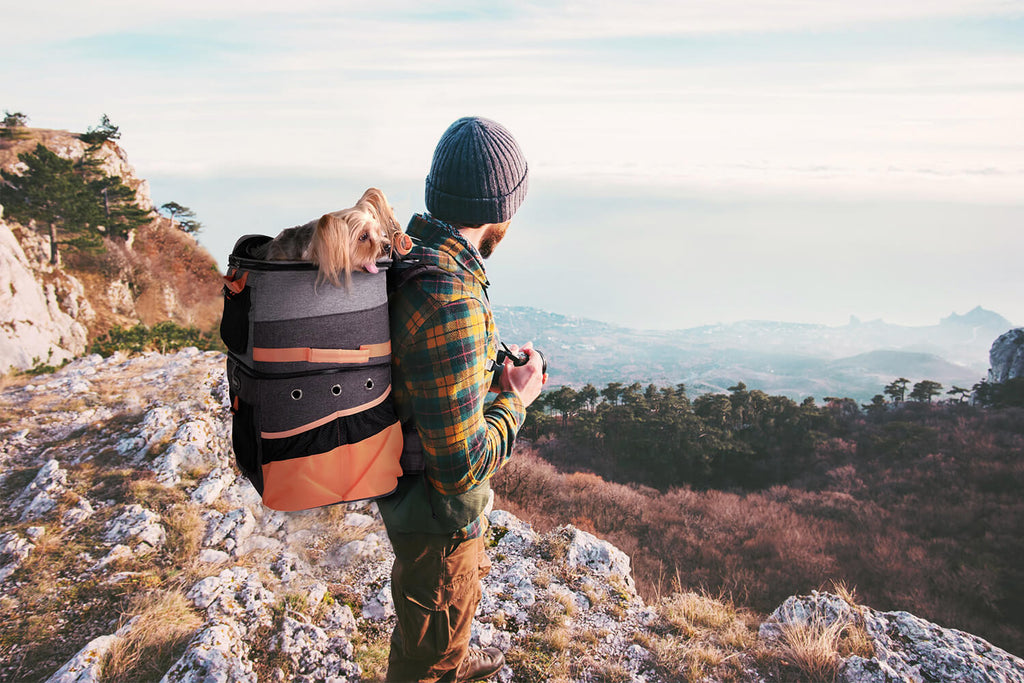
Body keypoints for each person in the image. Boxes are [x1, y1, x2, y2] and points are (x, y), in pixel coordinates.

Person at [377, 116, 546, 682]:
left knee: (431, 622)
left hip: (407, 498)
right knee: (427, 658)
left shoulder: (415, 257)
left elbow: (422, 376)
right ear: (501, 211)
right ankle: (440, 662)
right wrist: (515, 401)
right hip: (437, 520)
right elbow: (461, 467)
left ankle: (445, 649)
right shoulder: (452, 297)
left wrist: (485, 376)